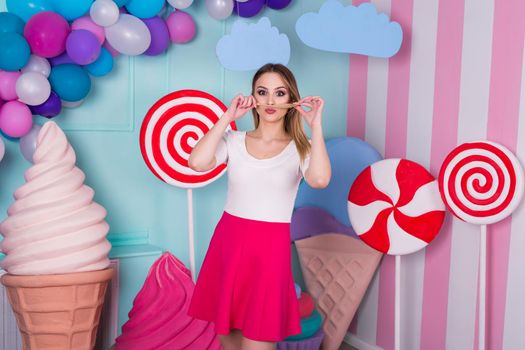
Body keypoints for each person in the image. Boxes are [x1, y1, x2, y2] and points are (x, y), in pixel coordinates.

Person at [187, 63, 331, 350]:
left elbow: (319, 179)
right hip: (229, 244)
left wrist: (315, 125)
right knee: (227, 337)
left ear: (291, 100)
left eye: (279, 93)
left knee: (258, 341)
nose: (270, 100)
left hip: (269, 251)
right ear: (252, 97)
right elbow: (197, 162)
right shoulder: (234, 140)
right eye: (262, 92)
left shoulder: (302, 147)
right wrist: (227, 117)